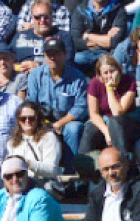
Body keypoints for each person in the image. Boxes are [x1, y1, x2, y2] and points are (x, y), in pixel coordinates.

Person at [20, 36, 89, 169]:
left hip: (67, 122)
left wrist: (58, 124)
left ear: (64, 54)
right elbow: (31, 104)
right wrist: (44, 124)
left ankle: (70, 172)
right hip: (42, 120)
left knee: (74, 129)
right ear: (45, 56)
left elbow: (80, 107)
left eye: (56, 53)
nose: (52, 57)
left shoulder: (78, 77)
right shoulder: (35, 75)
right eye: (49, 54)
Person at [81, 55, 140, 167]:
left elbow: (117, 112)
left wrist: (110, 89)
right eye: (105, 73)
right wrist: (106, 132)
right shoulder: (95, 83)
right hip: (105, 121)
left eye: (112, 71)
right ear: (100, 75)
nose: (109, 76)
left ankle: (121, 163)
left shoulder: (129, 81)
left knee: (115, 122)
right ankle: (84, 169)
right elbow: (94, 114)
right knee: (90, 129)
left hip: (127, 122)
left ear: (118, 70)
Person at [70, 0, 128, 69]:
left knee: (116, 61)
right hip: (85, 52)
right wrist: (105, 39)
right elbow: (75, 39)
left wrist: (88, 36)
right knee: (74, 60)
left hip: (110, 53)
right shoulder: (80, 10)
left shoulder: (119, 10)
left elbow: (114, 41)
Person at [6, 104, 64, 185]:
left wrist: (27, 163)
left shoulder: (49, 138)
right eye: (23, 118)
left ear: (38, 119)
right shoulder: (12, 142)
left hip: (42, 183)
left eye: (31, 118)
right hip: (18, 183)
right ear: (18, 121)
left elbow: (52, 170)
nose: (27, 121)